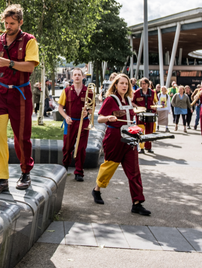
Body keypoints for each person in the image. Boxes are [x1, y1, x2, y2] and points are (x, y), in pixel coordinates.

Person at [0, 4, 40, 195]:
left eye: (12, 23)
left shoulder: (29, 40)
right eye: (6, 23)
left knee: (22, 137)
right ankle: (1, 179)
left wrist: (8, 63)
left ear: (20, 22)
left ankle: (25, 173)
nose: (8, 27)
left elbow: (30, 67)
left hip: (21, 94)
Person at [93, 73, 151, 216]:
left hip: (129, 139)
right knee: (109, 167)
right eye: (122, 83)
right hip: (114, 139)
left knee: (134, 172)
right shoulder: (110, 100)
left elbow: (131, 121)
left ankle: (137, 203)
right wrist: (108, 118)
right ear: (116, 85)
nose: (124, 86)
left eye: (126, 84)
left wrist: (137, 130)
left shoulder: (130, 101)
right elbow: (99, 119)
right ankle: (96, 190)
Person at [58, 68, 93, 182]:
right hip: (70, 122)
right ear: (72, 77)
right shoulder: (66, 91)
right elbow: (60, 108)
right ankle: (65, 167)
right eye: (75, 75)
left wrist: (87, 112)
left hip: (84, 122)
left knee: (81, 148)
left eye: (79, 74)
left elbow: (92, 109)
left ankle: (79, 172)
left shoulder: (89, 91)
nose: (77, 76)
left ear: (83, 77)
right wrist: (66, 117)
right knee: (67, 147)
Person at [132, 78, 157, 154]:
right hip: (140, 113)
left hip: (150, 113)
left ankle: (148, 147)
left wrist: (155, 106)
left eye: (145, 83)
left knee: (149, 131)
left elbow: (155, 102)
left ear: (148, 84)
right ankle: (141, 148)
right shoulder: (136, 92)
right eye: (142, 83)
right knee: (140, 130)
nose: (143, 85)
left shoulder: (153, 92)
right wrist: (137, 107)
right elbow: (132, 102)